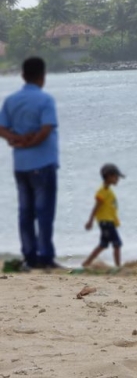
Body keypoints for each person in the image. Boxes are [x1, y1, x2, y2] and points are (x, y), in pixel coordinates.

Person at [0, 56, 61, 269]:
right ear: (42, 77)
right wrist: (31, 142)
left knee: (25, 212)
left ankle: (29, 256)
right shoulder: (45, 100)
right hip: (43, 162)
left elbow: (1, 127)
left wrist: (15, 139)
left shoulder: (11, 100)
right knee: (44, 212)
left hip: (21, 165)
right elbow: (46, 129)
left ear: (23, 75)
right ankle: (45, 257)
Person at [83, 163, 125, 268]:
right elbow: (96, 207)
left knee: (103, 244)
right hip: (106, 222)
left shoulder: (108, 190)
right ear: (109, 176)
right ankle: (118, 267)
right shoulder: (103, 191)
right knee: (117, 243)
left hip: (108, 221)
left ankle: (87, 263)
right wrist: (90, 221)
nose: (117, 179)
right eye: (116, 176)